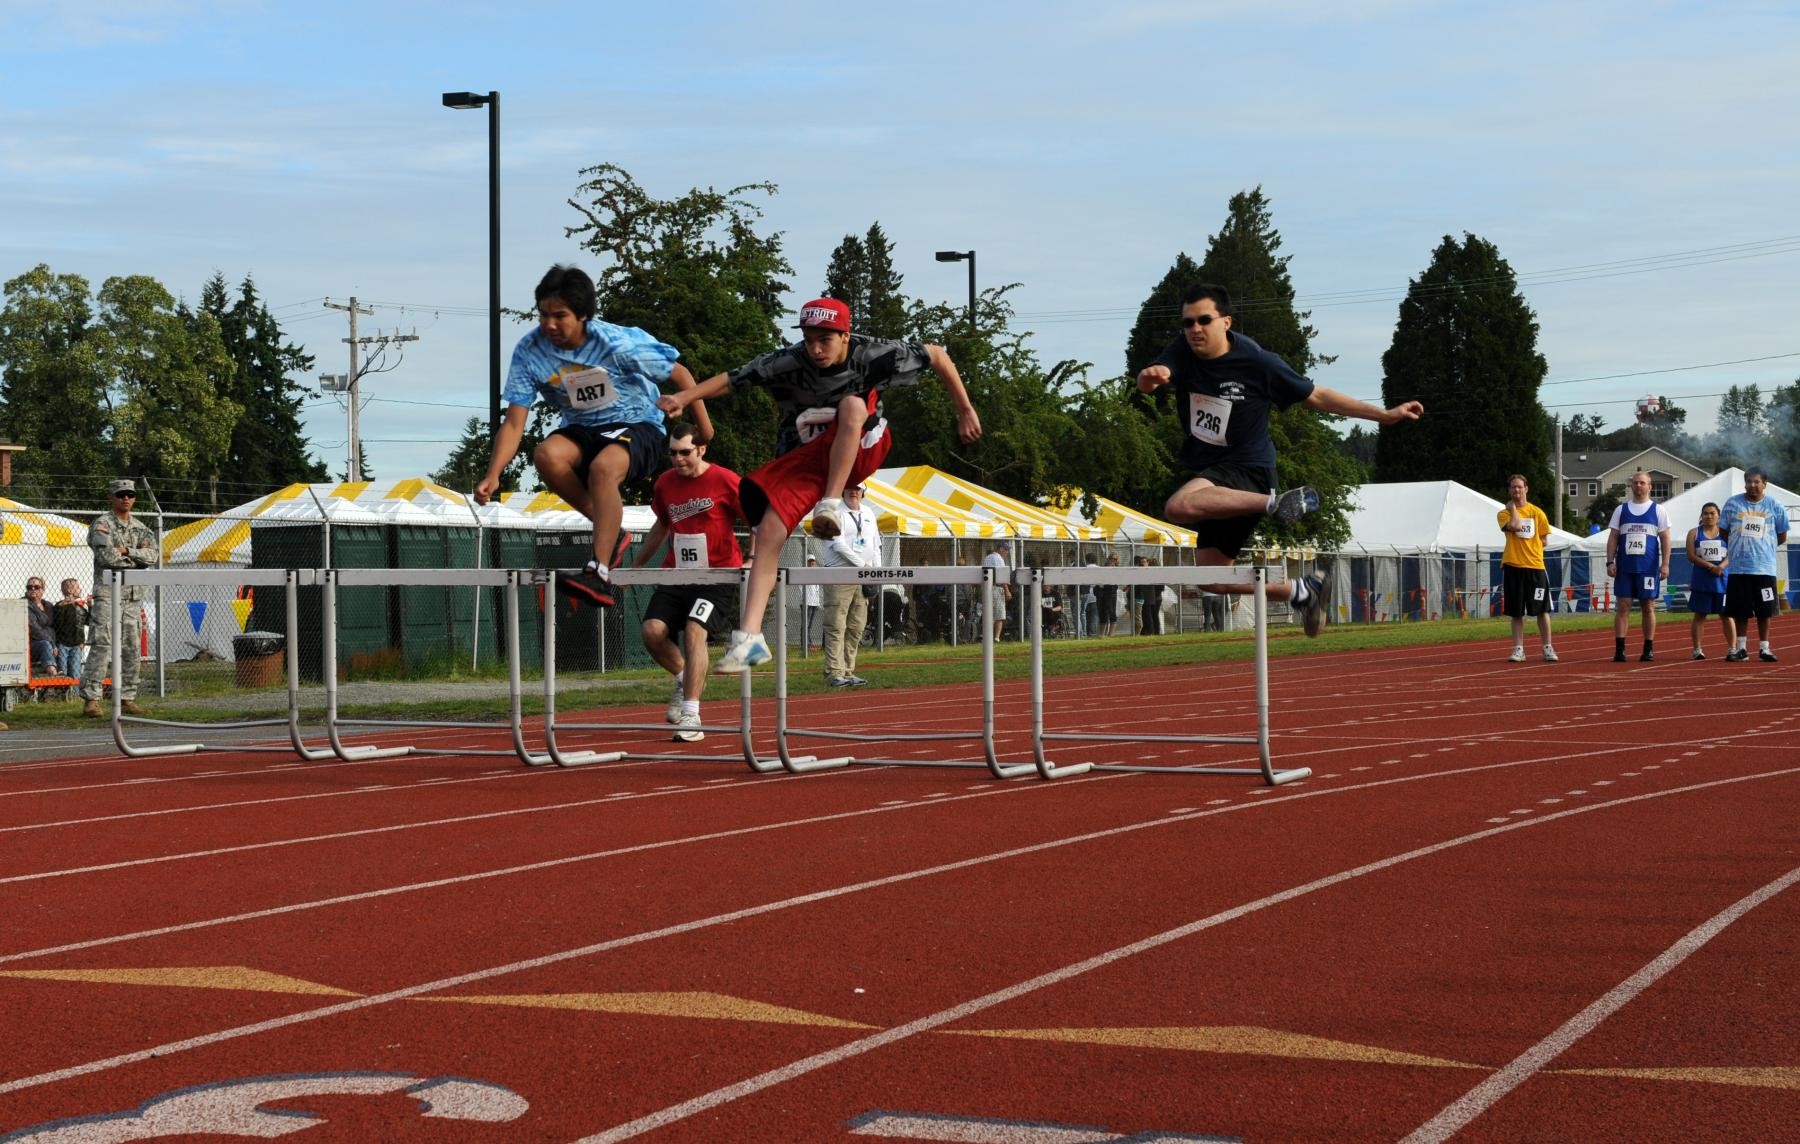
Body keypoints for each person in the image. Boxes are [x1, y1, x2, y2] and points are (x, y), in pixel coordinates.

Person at [657, 297, 981, 672]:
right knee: (770, 534)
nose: (815, 349)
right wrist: (685, 395)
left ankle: (831, 502)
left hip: (863, 446)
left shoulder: (876, 353)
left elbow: (938, 355)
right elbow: (732, 379)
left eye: (825, 340)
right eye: (810, 339)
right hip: (808, 460)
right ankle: (750, 640)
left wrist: (965, 409)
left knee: (852, 407)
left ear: (845, 336)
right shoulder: (790, 360)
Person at [1136, 283, 1423, 636]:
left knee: (1178, 506)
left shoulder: (1258, 362)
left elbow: (1317, 395)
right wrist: (1150, 378)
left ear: (1225, 322)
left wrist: (1384, 415)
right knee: (1212, 581)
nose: (1194, 329)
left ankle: (1278, 503)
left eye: (1203, 320)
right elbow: (1153, 376)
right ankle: (1302, 591)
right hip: (1217, 477)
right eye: (1188, 322)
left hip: (1250, 470)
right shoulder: (1184, 349)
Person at [474, 264, 708, 609]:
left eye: (560, 316)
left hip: (638, 424)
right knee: (546, 455)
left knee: (603, 468)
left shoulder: (617, 343)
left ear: (583, 315)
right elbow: (513, 423)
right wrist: (493, 473)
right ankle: (611, 532)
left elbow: (682, 375)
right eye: (542, 315)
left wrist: (705, 428)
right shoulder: (530, 352)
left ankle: (597, 572)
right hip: (584, 429)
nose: (549, 325)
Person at [630, 424, 743, 742]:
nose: (678, 459)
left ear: (702, 449)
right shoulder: (665, 484)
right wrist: (636, 566)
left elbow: (759, 521)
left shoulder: (725, 480)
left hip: (717, 577)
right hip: (677, 574)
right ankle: (684, 678)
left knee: (695, 630)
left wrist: (752, 560)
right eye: (673, 453)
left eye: (685, 452)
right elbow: (661, 525)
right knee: (652, 632)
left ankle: (692, 714)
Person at [78, 479, 156, 717]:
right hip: (107, 595)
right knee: (102, 645)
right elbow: (106, 557)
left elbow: (152, 556)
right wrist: (135, 560)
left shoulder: (141, 528)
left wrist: (128, 551)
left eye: (130, 494)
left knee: (132, 648)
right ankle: (92, 699)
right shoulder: (102, 524)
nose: (126, 498)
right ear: (111, 497)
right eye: (121, 494)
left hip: (132, 597)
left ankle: (127, 697)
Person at [1718, 467, 1789, 662]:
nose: (1752, 485)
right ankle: (1741, 648)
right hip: (1739, 568)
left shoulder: (1775, 505)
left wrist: (1764, 545)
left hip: (1764, 567)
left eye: (1757, 482)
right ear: (1745, 483)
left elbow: (1782, 535)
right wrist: (1739, 545)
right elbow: (1724, 531)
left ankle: (1764, 648)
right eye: (1749, 481)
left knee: (1765, 610)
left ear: (1764, 484)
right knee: (1740, 611)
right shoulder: (1733, 504)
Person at [1605, 470, 1672, 663]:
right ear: (1631, 486)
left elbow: (1665, 538)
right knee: (1623, 606)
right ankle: (1620, 649)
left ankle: (1648, 648)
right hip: (1625, 567)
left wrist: (1665, 564)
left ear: (1650, 486)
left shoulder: (1658, 510)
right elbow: (1613, 537)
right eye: (1635, 483)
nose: (1639, 486)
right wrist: (1610, 561)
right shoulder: (1621, 510)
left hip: (1648, 568)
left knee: (1648, 606)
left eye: (1642, 483)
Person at [819, 485, 877, 687]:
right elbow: (837, 543)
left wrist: (875, 572)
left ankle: (848, 670)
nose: (854, 491)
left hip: (863, 577)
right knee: (836, 625)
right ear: (843, 490)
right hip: (839, 574)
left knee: (856, 627)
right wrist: (863, 566)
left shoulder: (868, 512)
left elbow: (875, 543)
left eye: (858, 489)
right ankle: (834, 672)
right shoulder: (834, 511)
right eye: (850, 488)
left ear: (863, 492)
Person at [1496, 474, 1558, 663]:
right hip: (1513, 566)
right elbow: (1514, 526)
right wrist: (1514, 510)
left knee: (1542, 610)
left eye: (1520, 487)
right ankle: (1518, 649)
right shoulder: (1504, 513)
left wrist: (1533, 547)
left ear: (1526, 489)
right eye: (1513, 487)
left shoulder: (1537, 513)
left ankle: (1547, 647)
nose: (1516, 490)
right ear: (1509, 490)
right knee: (1516, 612)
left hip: (1535, 567)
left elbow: (1544, 539)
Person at [1685, 501, 1730, 661]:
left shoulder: (1726, 533)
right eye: (1706, 513)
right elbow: (1691, 556)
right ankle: (1697, 649)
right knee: (1700, 615)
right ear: (1701, 516)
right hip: (1702, 579)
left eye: (1712, 513)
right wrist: (1711, 566)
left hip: (1722, 579)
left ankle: (1732, 648)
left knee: (1726, 615)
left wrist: (1721, 566)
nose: (1709, 516)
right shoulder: (1694, 533)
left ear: (1718, 516)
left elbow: (1732, 554)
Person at [51, 578, 88, 677]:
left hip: (76, 645)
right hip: (63, 644)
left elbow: (88, 621)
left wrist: (91, 607)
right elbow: (57, 623)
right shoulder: (59, 607)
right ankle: (64, 691)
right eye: (78, 588)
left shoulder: (79, 607)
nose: (80, 590)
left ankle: (75, 692)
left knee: (76, 673)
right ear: (70, 591)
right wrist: (64, 605)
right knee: (63, 671)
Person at [980, 541, 1012, 642]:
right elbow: (1001, 576)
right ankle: (996, 638)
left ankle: (986, 635)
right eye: (1006, 550)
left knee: (988, 613)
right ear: (1001, 549)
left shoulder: (988, 557)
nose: (1007, 552)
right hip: (996, 588)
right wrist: (1007, 591)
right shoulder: (998, 558)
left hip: (986, 587)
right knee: (999, 614)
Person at [24, 576, 55, 675]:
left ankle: (69, 686)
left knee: (64, 648)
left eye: (36, 587)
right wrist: (51, 643)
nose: (33, 589)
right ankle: (52, 672)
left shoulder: (48, 606)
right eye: (29, 587)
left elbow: (57, 625)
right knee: (45, 644)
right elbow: (34, 628)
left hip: (52, 643)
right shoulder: (24, 604)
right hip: (32, 644)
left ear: (42, 589)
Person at [802, 555, 823, 653]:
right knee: (805, 624)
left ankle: (807, 643)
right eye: (810, 563)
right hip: (807, 602)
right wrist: (805, 598)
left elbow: (817, 589)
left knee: (809, 624)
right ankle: (807, 644)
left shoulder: (816, 574)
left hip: (814, 602)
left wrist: (817, 601)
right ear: (807, 563)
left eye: (813, 563)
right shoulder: (804, 573)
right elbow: (801, 588)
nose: (812, 564)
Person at [1098, 552, 1122, 637]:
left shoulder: (1117, 569)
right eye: (1111, 558)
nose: (1112, 560)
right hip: (1103, 593)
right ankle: (1101, 634)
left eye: (1115, 559)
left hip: (1112, 593)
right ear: (1108, 559)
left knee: (1111, 612)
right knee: (1103, 612)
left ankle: (1110, 634)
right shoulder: (1103, 567)